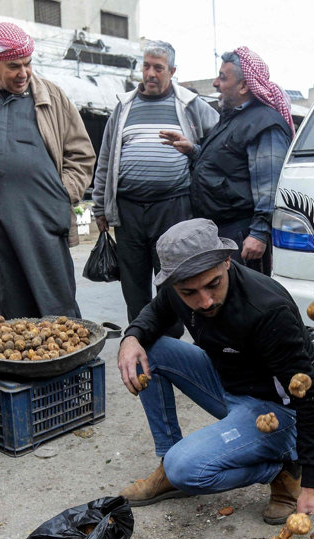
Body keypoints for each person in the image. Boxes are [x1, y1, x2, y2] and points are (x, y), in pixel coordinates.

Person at [116, 218, 314, 537]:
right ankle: (167, 466)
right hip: (228, 382)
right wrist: (131, 338)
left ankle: (283, 469)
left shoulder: (267, 311)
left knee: (186, 468)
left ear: (227, 261)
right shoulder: (180, 288)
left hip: (277, 411)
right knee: (149, 350)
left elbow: (311, 398)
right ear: (174, 284)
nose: (204, 301)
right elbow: (157, 312)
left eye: (213, 284)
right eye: (190, 292)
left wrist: (313, 486)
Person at [0, 22, 95, 319]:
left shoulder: (53, 97)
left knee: (56, 304)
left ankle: (65, 364)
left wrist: (62, 195)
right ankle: (18, 366)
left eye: (27, 64)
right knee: (5, 307)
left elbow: (82, 154)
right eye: (14, 66)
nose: (23, 73)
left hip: (42, 221)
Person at [92, 40, 219, 329]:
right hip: (128, 211)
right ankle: (141, 338)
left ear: (172, 71)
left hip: (173, 208)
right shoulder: (124, 107)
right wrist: (100, 206)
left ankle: (170, 343)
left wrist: (194, 150)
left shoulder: (189, 104)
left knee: (172, 277)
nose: (150, 73)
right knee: (133, 284)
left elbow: (219, 146)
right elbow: (106, 159)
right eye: (146, 66)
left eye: (158, 68)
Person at [161, 48, 293, 277]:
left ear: (244, 86)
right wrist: (193, 150)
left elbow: (269, 186)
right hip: (223, 231)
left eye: (223, 77)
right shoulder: (234, 118)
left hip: (244, 235)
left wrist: (259, 233)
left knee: (244, 300)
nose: (215, 83)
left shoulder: (264, 124)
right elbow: (228, 162)